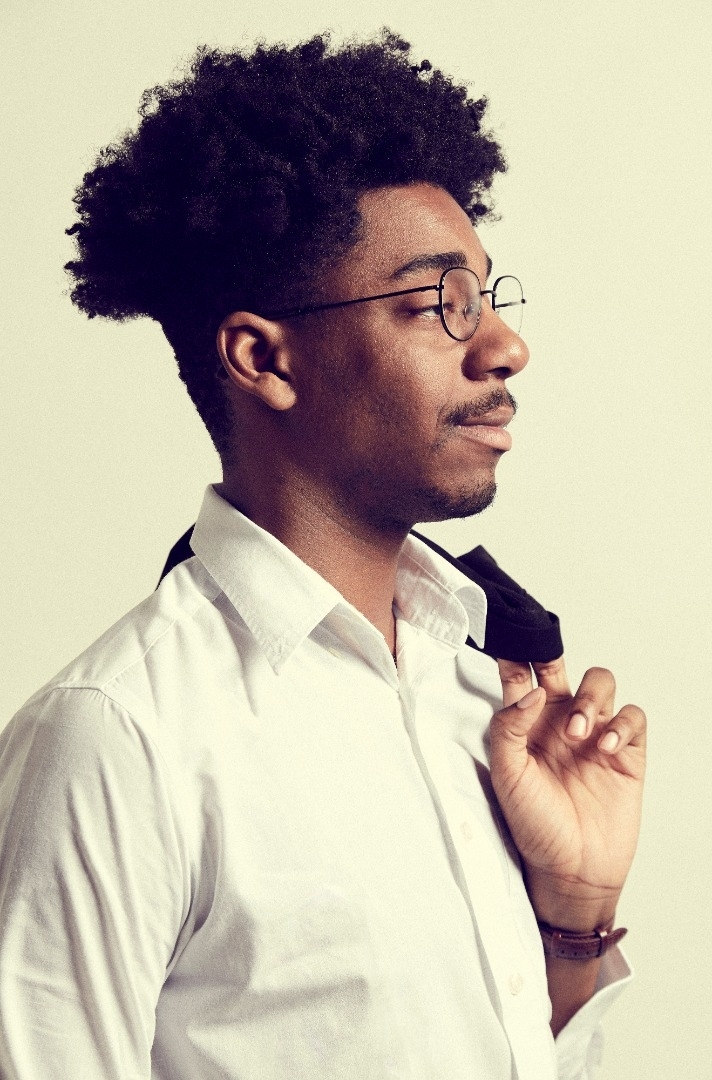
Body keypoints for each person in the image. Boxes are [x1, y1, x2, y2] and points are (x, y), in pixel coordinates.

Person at [0, 32, 646, 1080]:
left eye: (487, 299)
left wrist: (575, 918)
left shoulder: (482, 697)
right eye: (437, 305)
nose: (503, 347)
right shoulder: (122, 737)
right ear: (264, 357)